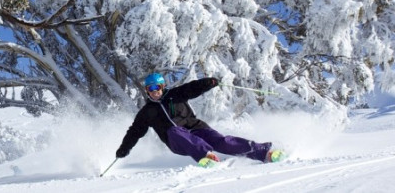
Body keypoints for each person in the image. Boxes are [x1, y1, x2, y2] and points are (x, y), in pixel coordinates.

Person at [115, 72, 284, 167]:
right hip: (176, 141)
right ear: (147, 90)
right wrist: (124, 149)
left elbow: (191, 88)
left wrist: (207, 83)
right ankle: (205, 155)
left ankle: (264, 152)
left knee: (222, 141)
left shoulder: (175, 95)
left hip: (197, 129)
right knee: (174, 130)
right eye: (150, 89)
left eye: (157, 87)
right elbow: (134, 132)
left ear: (162, 87)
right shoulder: (147, 112)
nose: (154, 91)